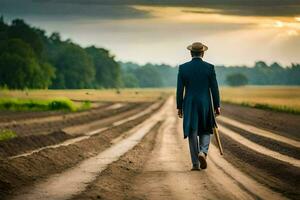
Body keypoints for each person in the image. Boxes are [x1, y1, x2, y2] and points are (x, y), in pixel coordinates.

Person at [176, 42, 220, 171]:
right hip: (205, 102)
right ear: (203, 53)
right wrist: (217, 105)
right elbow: (214, 88)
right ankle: (203, 152)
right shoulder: (209, 68)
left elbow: (180, 90)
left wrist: (179, 107)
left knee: (192, 132)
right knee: (206, 128)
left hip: (189, 103)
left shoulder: (183, 68)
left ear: (191, 53)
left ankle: (195, 164)